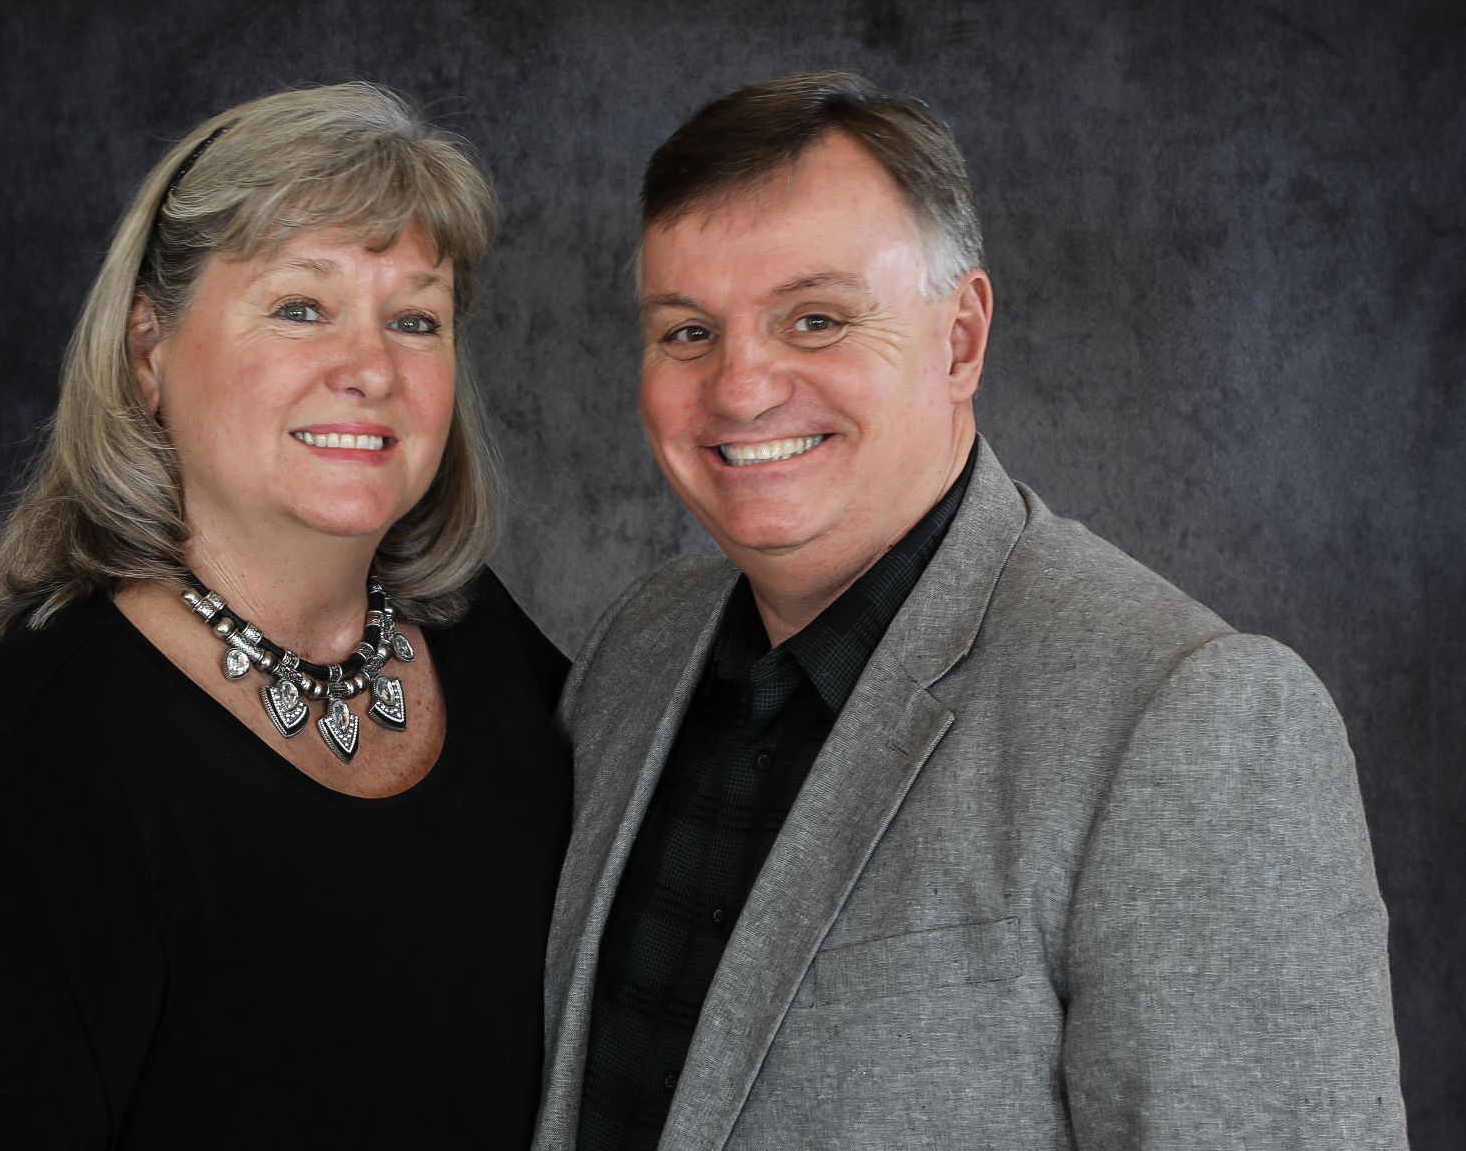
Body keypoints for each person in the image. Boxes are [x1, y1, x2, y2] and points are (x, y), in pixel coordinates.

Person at [535, 72, 1405, 1149]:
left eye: (815, 318)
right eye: (686, 331)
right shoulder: (635, 652)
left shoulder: (1190, 718)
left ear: (960, 340)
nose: (742, 388)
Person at [0, 84, 572, 1148]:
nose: (369, 369)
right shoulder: (23, 793)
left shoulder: (486, 646)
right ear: (147, 351)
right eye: (300, 305)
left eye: (415, 318)